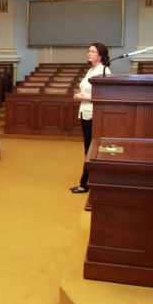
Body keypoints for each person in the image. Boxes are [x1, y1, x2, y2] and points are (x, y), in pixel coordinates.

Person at [68, 43, 112, 194]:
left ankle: (85, 183)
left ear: (101, 55)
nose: (89, 53)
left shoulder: (104, 70)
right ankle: (88, 181)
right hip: (86, 112)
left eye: (93, 51)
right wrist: (82, 96)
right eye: (89, 51)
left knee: (91, 148)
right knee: (88, 148)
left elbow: (104, 95)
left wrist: (83, 97)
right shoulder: (91, 70)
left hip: (95, 114)